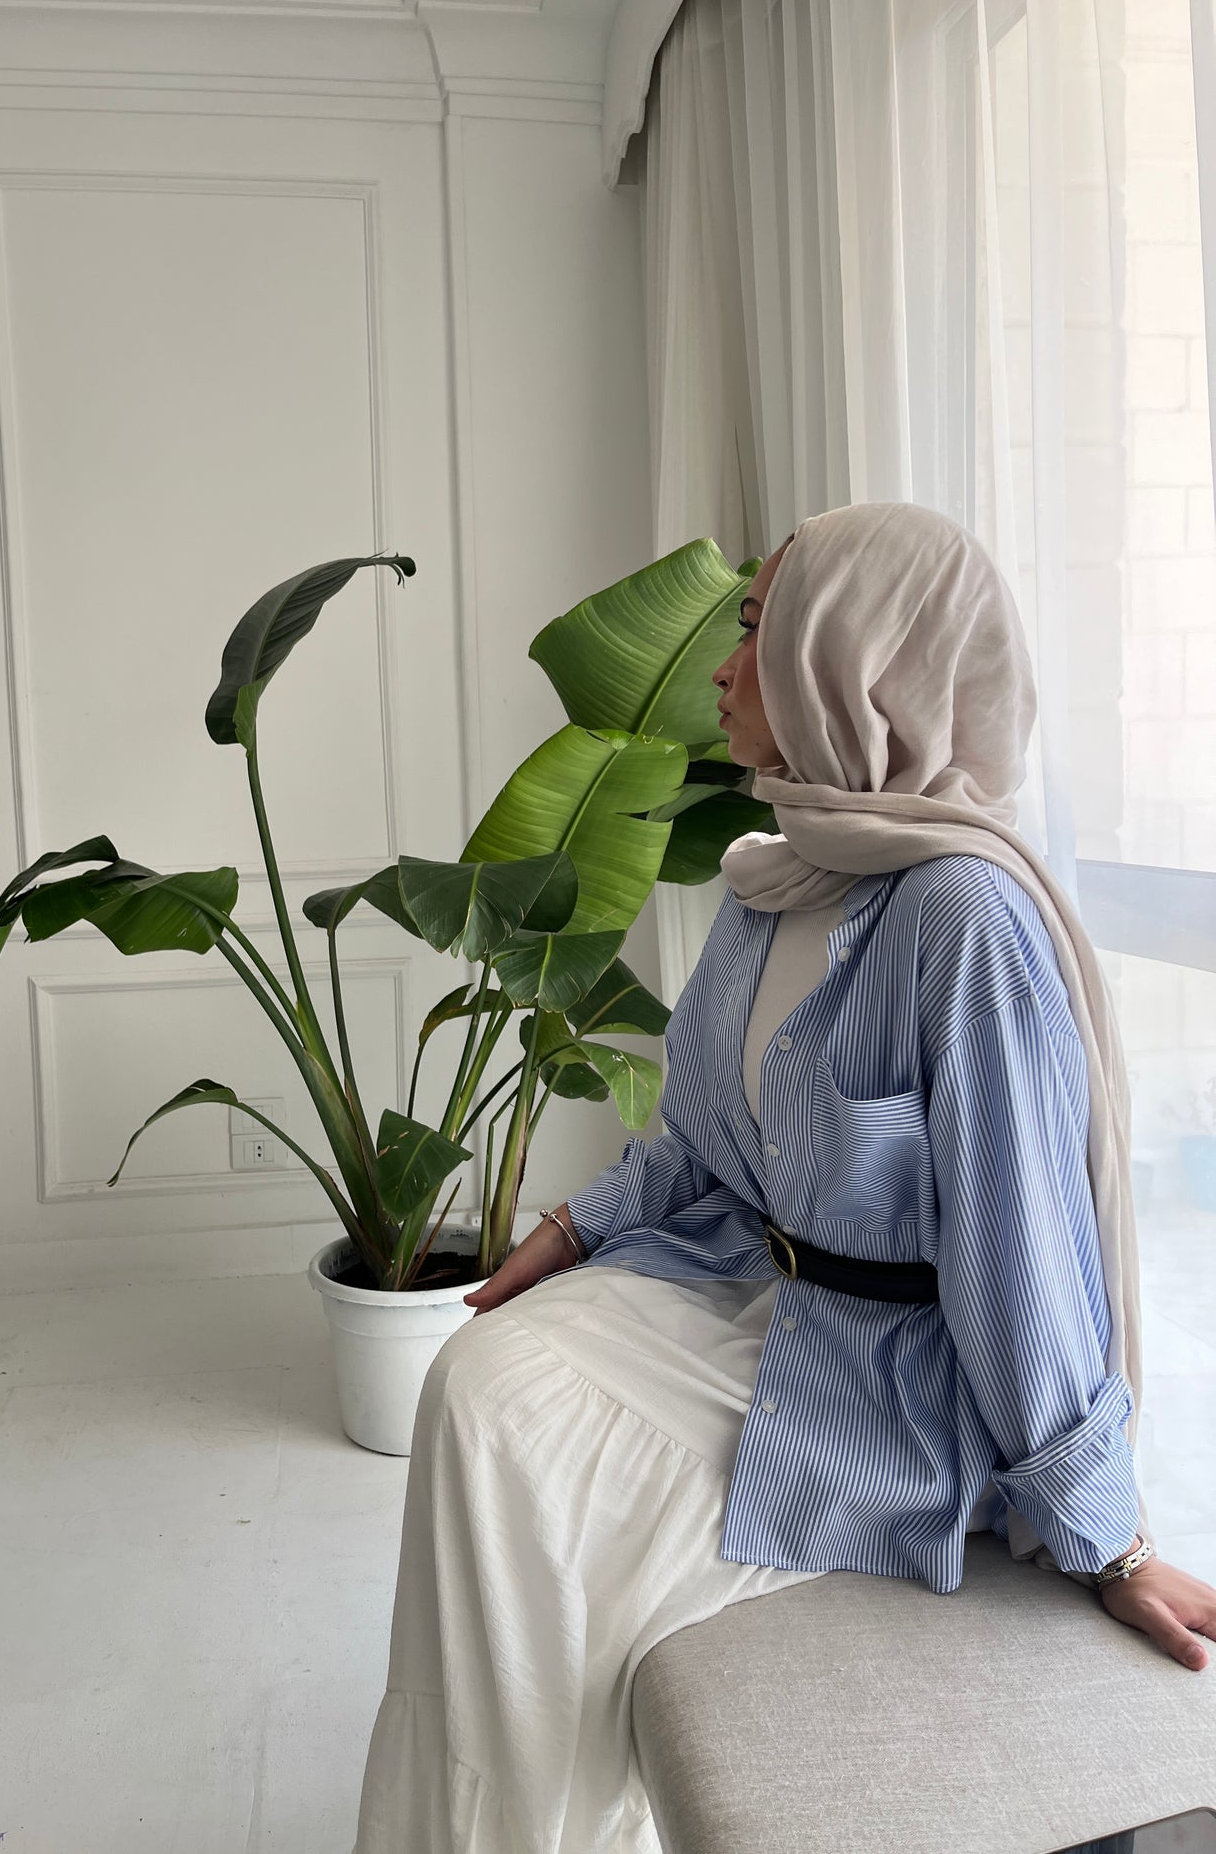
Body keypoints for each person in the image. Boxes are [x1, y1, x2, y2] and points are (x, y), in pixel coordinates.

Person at [352, 502, 1216, 1854]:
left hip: (882, 1391)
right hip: (741, 1295)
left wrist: (1103, 1540)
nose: (719, 666)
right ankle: (489, 1818)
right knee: (481, 1390)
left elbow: (1022, 1255)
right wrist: (575, 1229)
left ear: (842, 656)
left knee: (511, 1441)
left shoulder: (959, 918)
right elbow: (701, 1139)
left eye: (752, 631)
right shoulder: (781, 873)